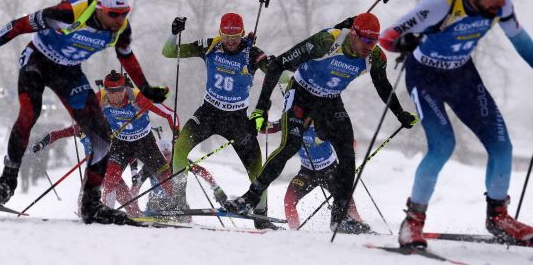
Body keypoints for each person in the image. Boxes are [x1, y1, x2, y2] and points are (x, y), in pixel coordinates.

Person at [379, 0, 533, 248]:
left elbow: (519, 39)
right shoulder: (443, 1)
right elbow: (387, 37)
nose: (501, 0)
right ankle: (412, 222)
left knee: (501, 144)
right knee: (442, 146)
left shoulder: (501, 5)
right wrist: (405, 42)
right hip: (425, 76)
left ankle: (498, 217)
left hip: (461, 75)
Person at [0, 0, 169, 225]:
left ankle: (91, 206)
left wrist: (144, 87)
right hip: (37, 62)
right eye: (114, 14)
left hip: (68, 72)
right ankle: (7, 182)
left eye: (124, 13)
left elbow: (126, 56)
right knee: (28, 113)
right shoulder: (67, 13)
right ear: (100, 7)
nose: (120, 20)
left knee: (101, 138)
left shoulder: (121, 28)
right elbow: (17, 26)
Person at [224, 12, 418, 233]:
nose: (369, 46)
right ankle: (249, 199)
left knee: (347, 153)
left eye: (373, 42)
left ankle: (340, 219)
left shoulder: (375, 57)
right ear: (353, 34)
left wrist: (400, 113)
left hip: (330, 100)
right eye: (365, 40)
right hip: (301, 94)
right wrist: (261, 107)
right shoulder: (326, 42)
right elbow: (278, 65)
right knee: (291, 145)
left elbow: (383, 86)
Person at [162, 13, 275, 229]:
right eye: (226, 35)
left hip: (237, 120)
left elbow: (277, 73)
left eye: (236, 36)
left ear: (243, 33)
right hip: (208, 113)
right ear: (220, 33)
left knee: (257, 169)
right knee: (180, 149)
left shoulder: (252, 53)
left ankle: (261, 216)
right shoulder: (209, 46)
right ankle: (177, 202)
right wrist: (174, 34)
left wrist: (281, 68)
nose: (231, 41)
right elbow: (169, 52)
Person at [34, 70, 178, 217]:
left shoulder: (129, 105)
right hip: (107, 155)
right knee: (97, 184)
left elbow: (168, 115)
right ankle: (93, 211)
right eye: (112, 92)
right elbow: (65, 130)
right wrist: (44, 142)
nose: (117, 96)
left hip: (128, 150)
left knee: (153, 183)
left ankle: (165, 210)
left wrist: (176, 137)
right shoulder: (91, 115)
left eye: (120, 91)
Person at [264, 119, 367, 231]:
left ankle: (359, 225)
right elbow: (268, 128)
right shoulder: (292, 120)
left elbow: (350, 142)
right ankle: (294, 232)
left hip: (330, 171)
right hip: (307, 172)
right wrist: (261, 120)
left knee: (347, 201)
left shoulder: (323, 123)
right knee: (289, 201)